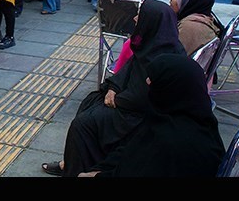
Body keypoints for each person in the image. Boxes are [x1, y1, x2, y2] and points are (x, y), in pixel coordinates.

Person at [41, 0, 185, 177]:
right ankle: (77, 162)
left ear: (151, 22)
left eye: (140, 15)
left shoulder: (165, 56)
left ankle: (76, 169)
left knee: (83, 125)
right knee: (90, 101)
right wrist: (113, 88)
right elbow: (127, 70)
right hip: (128, 104)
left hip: (140, 115)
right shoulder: (152, 44)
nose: (134, 19)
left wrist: (118, 99)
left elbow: (146, 97)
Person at [79, 53, 225, 177]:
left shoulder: (172, 144)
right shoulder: (196, 121)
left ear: (169, 89)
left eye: (154, 81)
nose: (147, 82)